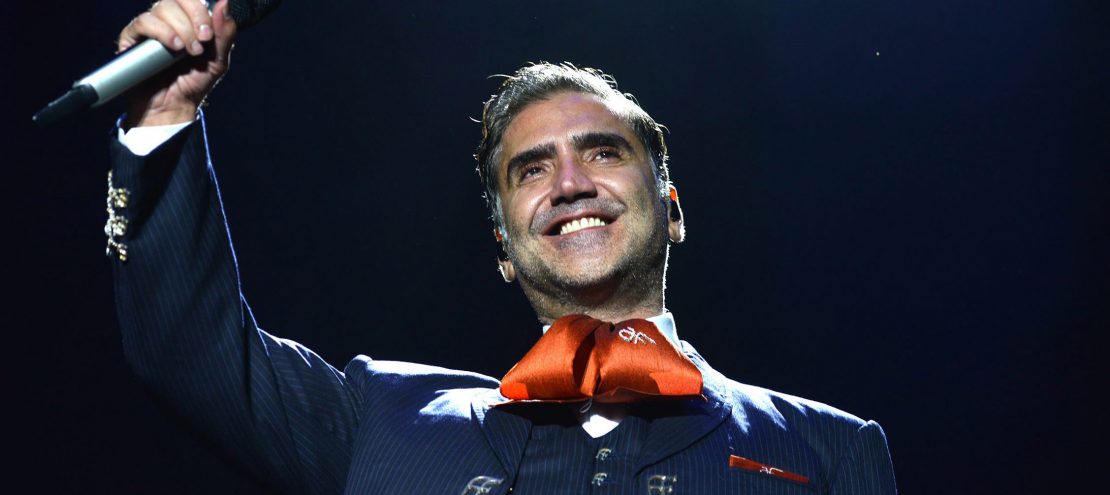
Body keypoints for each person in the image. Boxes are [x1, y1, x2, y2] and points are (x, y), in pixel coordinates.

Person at [106, 1, 897, 493]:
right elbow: (188, 345)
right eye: (532, 169)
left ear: (673, 208)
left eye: (604, 152)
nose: (570, 183)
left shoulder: (830, 449)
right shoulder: (382, 420)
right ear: (504, 249)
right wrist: (163, 117)